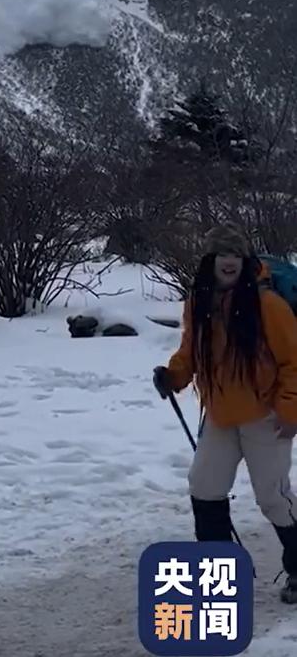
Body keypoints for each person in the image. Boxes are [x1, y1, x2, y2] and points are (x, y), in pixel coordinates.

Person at [153, 223, 297, 603]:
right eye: (222, 254)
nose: (229, 261)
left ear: (244, 260)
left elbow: (293, 360)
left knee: (273, 497)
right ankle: (221, 572)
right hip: (219, 413)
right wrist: (173, 376)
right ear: (209, 260)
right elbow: (191, 353)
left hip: (266, 414)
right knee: (204, 486)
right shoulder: (198, 301)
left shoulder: (268, 305)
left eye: (236, 254)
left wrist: (290, 410)